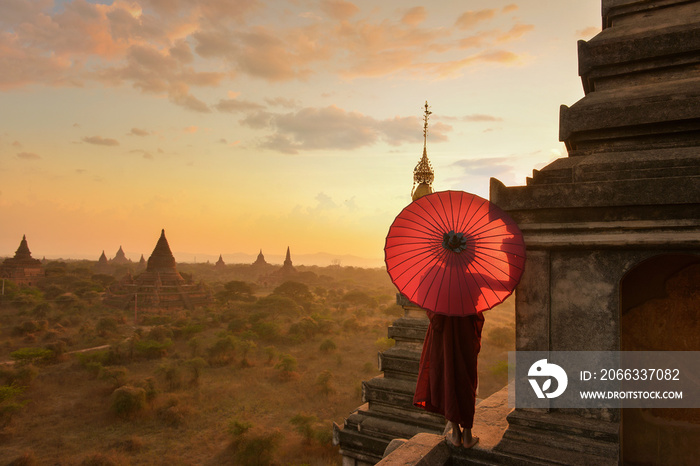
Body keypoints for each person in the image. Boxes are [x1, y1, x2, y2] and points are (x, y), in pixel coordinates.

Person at [413, 310, 485, 448]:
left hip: (441, 339)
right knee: (465, 381)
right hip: (464, 335)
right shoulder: (467, 289)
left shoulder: (437, 291)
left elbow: (433, 315)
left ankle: (456, 433)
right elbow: (476, 315)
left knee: (446, 378)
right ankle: (468, 435)